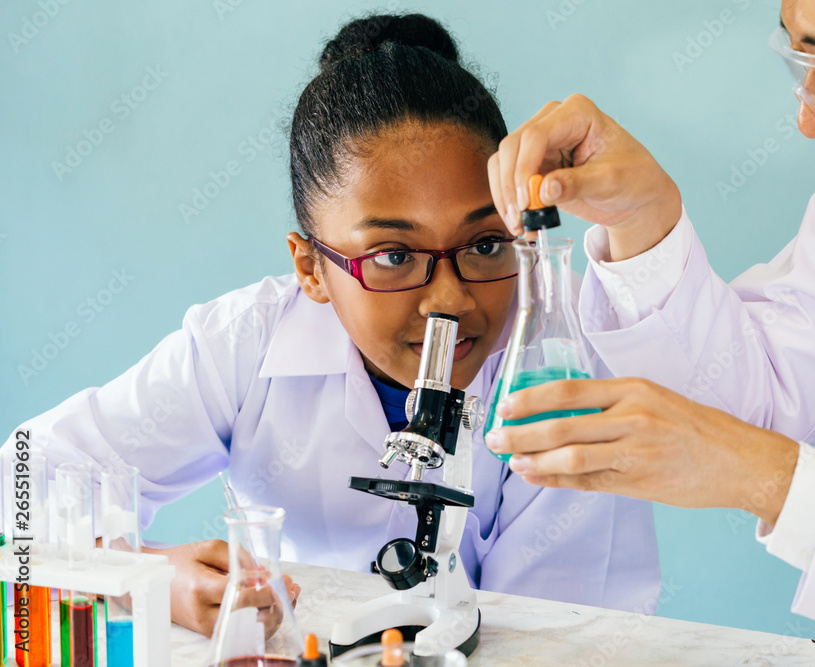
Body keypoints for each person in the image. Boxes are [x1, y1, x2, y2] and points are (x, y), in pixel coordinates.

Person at [2, 14, 660, 637]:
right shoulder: (244, 343)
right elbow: (21, 483)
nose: (450, 299)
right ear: (311, 266)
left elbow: (555, 637)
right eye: (394, 257)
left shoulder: (565, 354)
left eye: (485, 243)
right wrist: (140, 575)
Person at [485, 0, 815, 662]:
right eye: (799, 64)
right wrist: (644, 221)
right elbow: (748, 399)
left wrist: (771, 481)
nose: (808, 120)